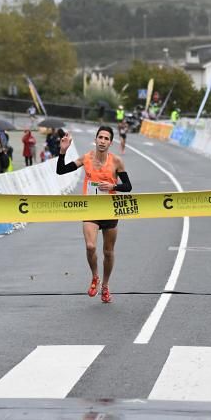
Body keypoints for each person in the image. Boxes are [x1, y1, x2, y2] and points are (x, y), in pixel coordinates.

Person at [56, 126, 131, 304]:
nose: (103, 141)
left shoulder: (116, 162)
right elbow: (61, 170)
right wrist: (62, 151)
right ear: (95, 140)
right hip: (91, 209)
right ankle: (95, 277)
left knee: (108, 252)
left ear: (110, 143)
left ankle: (105, 286)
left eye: (106, 138)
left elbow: (128, 186)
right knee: (90, 247)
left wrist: (113, 187)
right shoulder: (86, 158)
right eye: (100, 137)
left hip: (110, 210)